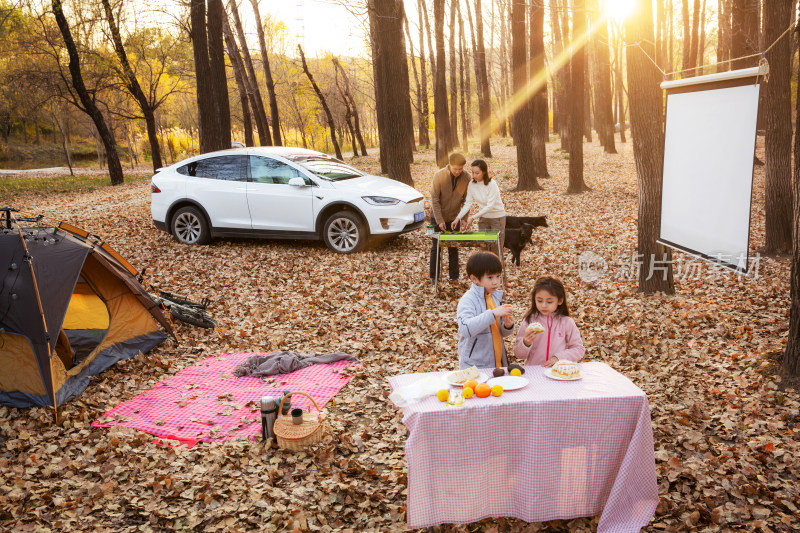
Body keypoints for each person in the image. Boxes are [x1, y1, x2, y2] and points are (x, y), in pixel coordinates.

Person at [457, 252, 514, 369]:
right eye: (490, 277)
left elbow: (499, 332)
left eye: (498, 276)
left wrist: (507, 326)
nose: (496, 282)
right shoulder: (468, 300)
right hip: (474, 366)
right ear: (474, 279)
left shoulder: (495, 297)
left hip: (497, 363)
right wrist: (492, 314)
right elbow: (465, 329)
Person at [514, 276, 585, 367]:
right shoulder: (530, 320)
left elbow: (578, 349)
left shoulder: (567, 322)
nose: (543, 305)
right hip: (534, 371)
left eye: (549, 302)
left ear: (560, 301)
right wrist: (525, 343)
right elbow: (519, 355)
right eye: (539, 301)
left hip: (558, 371)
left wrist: (559, 358)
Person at [430, 153, 471, 282]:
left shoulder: (467, 177)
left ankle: (454, 277)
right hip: (437, 217)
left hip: (455, 218)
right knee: (436, 247)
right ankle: (434, 277)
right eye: (455, 169)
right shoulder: (439, 176)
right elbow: (434, 199)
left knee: (453, 247)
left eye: (460, 169)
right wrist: (440, 220)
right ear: (449, 165)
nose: (458, 172)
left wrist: (463, 217)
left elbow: (466, 200)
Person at [452, 159, 506, 250]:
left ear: (484, 172)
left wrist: (472, 217)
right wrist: (458, 218)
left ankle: (498, 264)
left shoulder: (492, 184)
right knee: (483, 247)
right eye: (472, 173)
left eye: (477, 173)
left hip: (497, 218)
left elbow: (490, 206)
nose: (474, 175)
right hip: (483, 219)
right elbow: (468, 203)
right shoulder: (471, 184)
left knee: (496, 248)